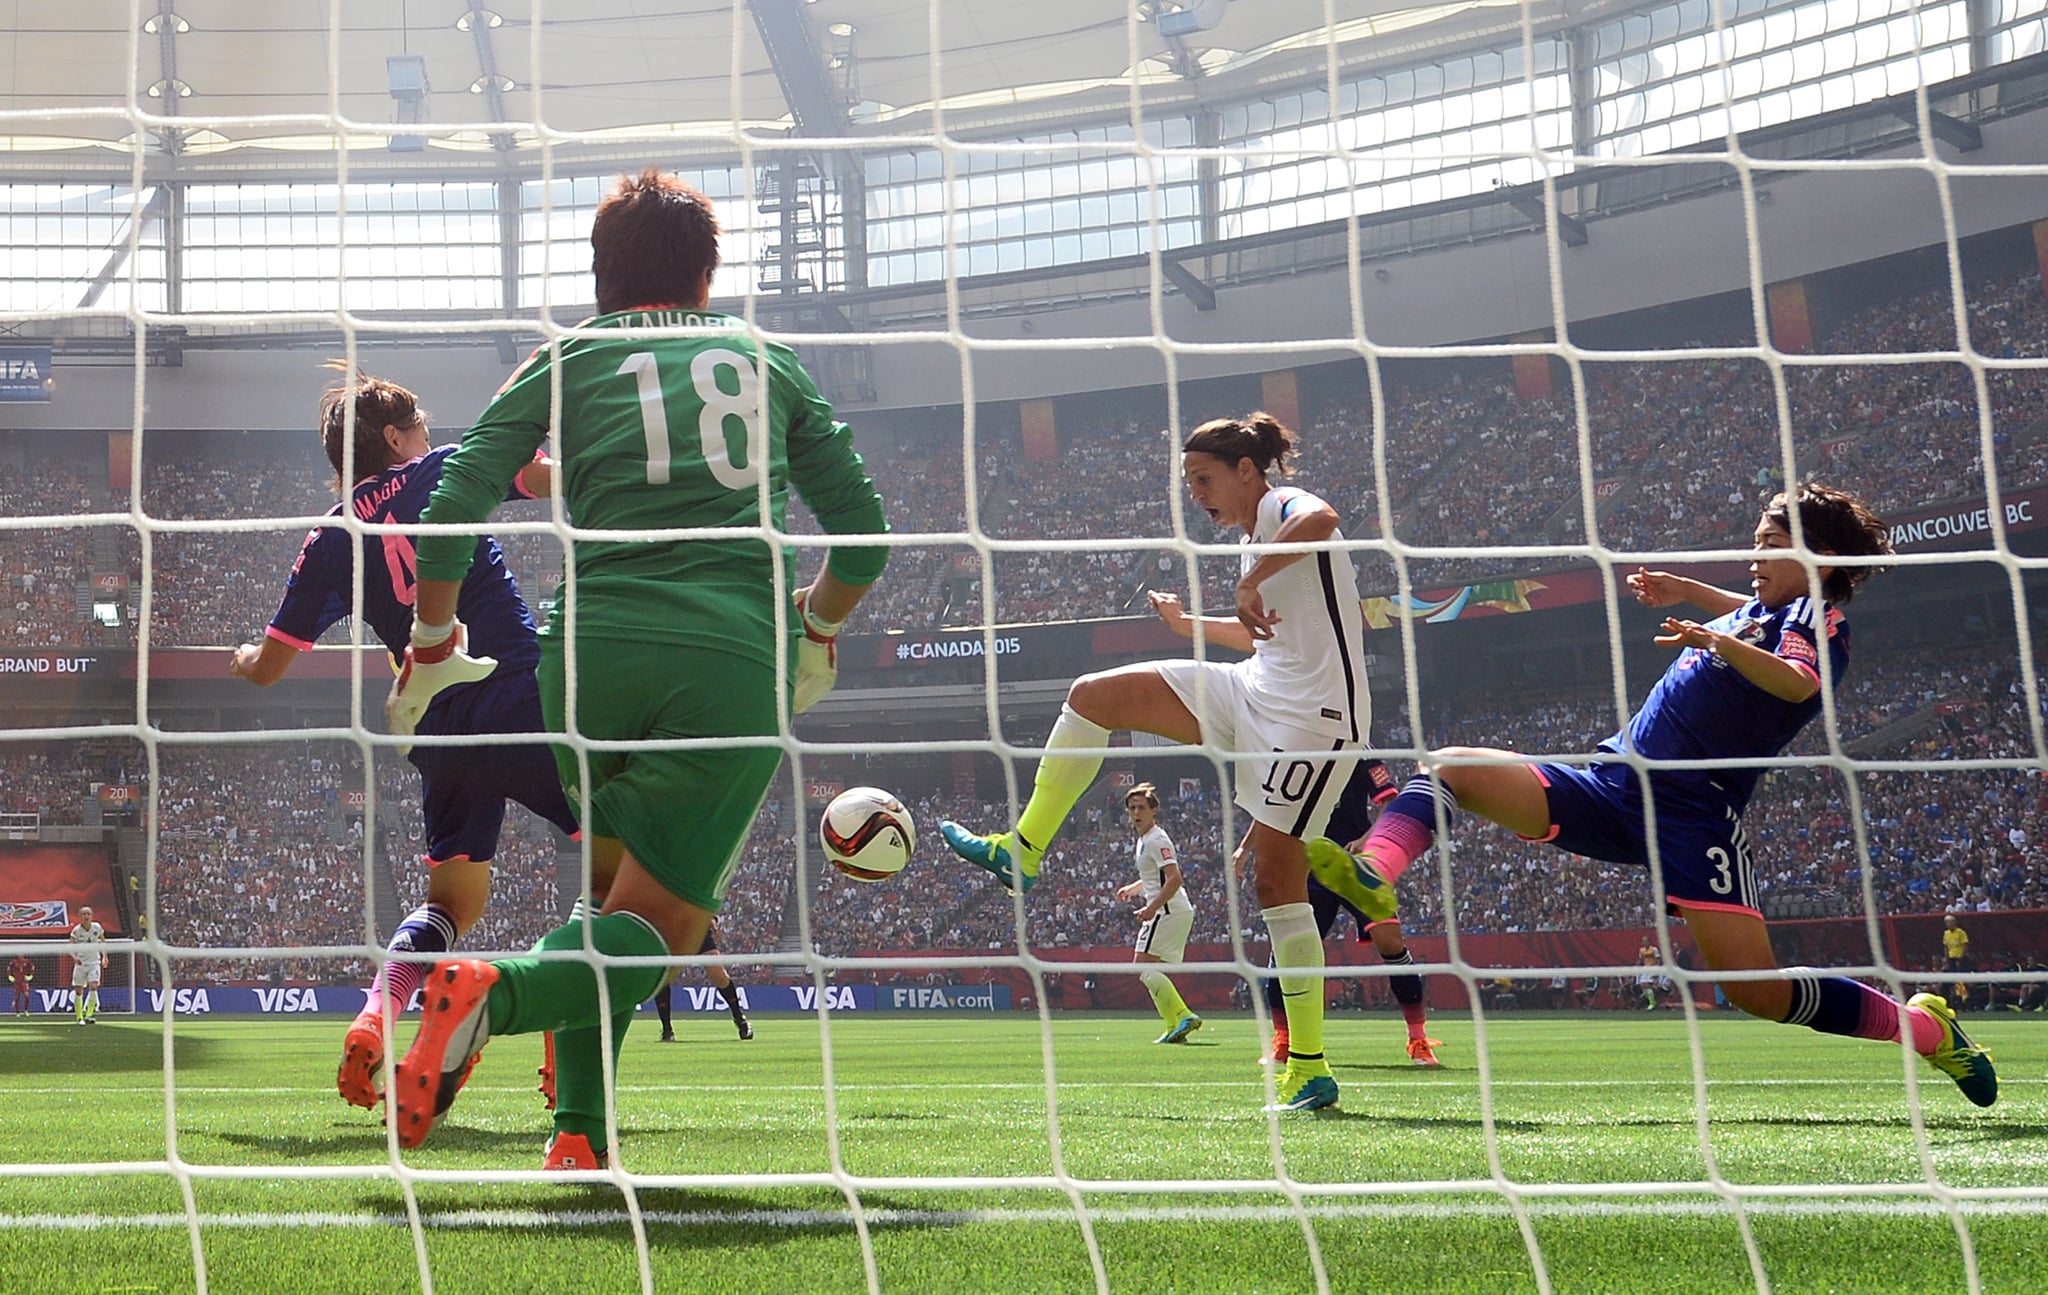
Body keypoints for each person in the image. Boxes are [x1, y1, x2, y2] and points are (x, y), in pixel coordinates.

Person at [388, 169, 888, 1169]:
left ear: (601, 276)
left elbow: (452, 501)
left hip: (585, 664)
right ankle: (497, 993)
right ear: (707, 274)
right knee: (661, 925)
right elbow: (864, 538)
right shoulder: (765, 360)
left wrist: (435, 638)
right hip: (723, 658)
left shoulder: (563, 358)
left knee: (602, 903)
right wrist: (820, 627)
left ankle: (581, 1131)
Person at [1312, 484, 1999, 1107]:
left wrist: (1711, 638)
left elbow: (1796, 680)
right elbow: (1751, 612)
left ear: (1817, 555)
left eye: (1767, 540)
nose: (1752, 551)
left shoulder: (1819, 619)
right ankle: (1375, 871)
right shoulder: (1763, 611)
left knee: (1753, 990)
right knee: (1452, 766)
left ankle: (1924, 1029)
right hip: (1613, 783)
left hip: (1694, 813)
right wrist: (1688, 591)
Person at [941, 413, 1388, 1112]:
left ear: (1246, 469)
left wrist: (1255, 575)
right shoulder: (1251, 539)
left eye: (1204, 479)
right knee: (1092, 696)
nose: (1197, 495)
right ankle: (1021, 849)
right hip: (1256, 689)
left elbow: (1325, 515)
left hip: (1314, 719)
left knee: (1277, 880)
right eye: (1190, 483)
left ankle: (1311, 1066)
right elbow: (1257, 630)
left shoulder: (1278, 506)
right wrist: (1188, 627)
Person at [229, 367, 581, 1111]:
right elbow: (550, 479)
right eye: (418, 422)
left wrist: (239, 658)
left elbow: (266, 668)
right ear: (396, 438)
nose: (427, 431)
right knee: (624, 860)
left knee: (451, 903)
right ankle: (555, 1029)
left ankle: (376, 1015)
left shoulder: (330, 536)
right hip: (514, 694)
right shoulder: (446, 467)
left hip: (437, 730)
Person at [1253, 760, 1441, 1067]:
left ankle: (1418, 1040)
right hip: (1310, 865)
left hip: (1357, 865)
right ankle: (1284, 1041)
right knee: (1288, 951)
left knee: (1390, 942)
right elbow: (1269, 809)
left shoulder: (1359, 750)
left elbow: (1391, 801)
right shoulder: (1294, 746)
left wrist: (1368, 837)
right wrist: (1246, 847)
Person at [1115, 783, 1201, 1044]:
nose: (1136, 812)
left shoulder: (1156, 839)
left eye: (1141, 807)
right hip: (1171, 911)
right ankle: (1174, 1026)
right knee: (1149, 971)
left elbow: (1175, 878)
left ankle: (1183, 1016)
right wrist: (1135, 888)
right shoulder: (1144, 840)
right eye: (1132, 808)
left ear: (1154, 810)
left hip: (1167, 911)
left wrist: (1151, 907)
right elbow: (1157, 876)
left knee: (1142, 968)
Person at [651, 920, 752, 1042]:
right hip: (670, 928)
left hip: (696, 927)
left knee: (718, 976)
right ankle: (667, 1030)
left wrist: (711, 918)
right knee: (664, 976)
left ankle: (739, 1018)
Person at [69, 906, 106, 1025]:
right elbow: (70, 947)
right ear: (80, 916)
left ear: (92, 916)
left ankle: (89, 1015)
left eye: (88, 914)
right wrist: (75, 958)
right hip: (81, 964)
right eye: (84, 914)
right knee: (79, 990)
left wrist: (105, 956)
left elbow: (103, 942)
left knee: (93, 986)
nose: (86, 916)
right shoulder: (76, 931)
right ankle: (79, 1017)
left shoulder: (97, 928)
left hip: (94, 962)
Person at [1637, 937, 1662, 1011]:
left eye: (1646, 941)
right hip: (1645, 968)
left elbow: (1658, 960)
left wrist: (1657, 969)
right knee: (1642, 985)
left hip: (1653, 968)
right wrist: (1636, 966)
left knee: (1647, 985)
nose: (1644, 942)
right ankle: (1651, 1001)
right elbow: (1640, 960)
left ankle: (1652, 1003)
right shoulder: (1641, 950)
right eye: (1643, 941)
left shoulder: (1654, 949)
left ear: (1649, 942)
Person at [9, 950, 34, 1016]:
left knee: (27, 996)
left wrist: (31, 975)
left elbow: (32, 967)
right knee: (17, 997)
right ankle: (17, 1012)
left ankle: (26, 1010)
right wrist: (10, 976)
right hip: (17, 982)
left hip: (24, 982)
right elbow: (9, 968)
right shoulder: (14, 962)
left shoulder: (26, 961)